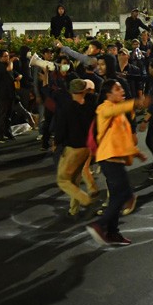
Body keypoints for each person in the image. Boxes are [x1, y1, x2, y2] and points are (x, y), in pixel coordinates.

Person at [85, 79, 149, 247]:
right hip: (108, 158)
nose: (122, 91)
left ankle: (113, 233)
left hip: (116, 158)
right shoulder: (104, 108)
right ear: (108, 94)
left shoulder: (119, 114)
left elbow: (124, 139)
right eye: (117, 89)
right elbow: (116, 110)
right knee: (124, 194)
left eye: (122, 88)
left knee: (117, 197)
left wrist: (137, 153)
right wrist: (134, 103)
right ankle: (100, 225)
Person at [54, 79, 98, 216]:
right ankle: (73, 209)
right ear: (84, 91)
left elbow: (61, 130)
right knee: (75, 179)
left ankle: (85, 199)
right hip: (87, 147)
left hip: (73, 149)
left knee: (63, 180)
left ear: (70, 91)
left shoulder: (67, 108)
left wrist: (56, 143)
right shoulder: (91, 106)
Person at [0, 49, 18, 143]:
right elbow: (9, 69)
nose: (7, 58)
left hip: (10, 93)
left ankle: (7, 132)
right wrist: (11, 62)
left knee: (8, 115)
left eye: (8, 56)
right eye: (5, 56)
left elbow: (13, 73)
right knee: (1, 115)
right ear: (0, 57)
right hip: (3, 94)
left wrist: (18, 76)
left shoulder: (7, 64)